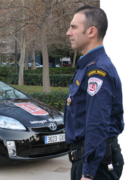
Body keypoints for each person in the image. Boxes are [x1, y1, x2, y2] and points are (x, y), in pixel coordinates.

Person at [65, 5, 124, 180]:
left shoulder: (98, 71)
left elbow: (97, 123)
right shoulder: (88, 66)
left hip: (96, 165)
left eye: (74, 27)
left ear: (91, 31)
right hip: (87, 160)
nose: (69, 32)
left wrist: (88, 172)